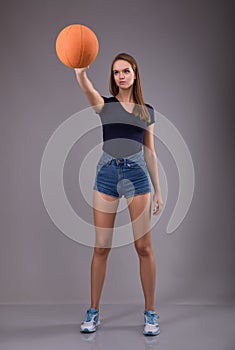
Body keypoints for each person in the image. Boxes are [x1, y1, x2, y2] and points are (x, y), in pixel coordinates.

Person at [74, 53, 163, 336]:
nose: (120, 76)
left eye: (125, 71)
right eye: (115, 72)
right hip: (107, 174)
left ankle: (150, 313)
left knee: (143, 247)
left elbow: (150, 151)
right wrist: (80, 74)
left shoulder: (146, 110)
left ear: (135, 74)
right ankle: (94, 312)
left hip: (137, 174)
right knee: (101, 248)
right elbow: (89, 91)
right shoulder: (106, 106)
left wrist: (158, 190)